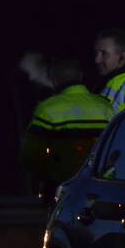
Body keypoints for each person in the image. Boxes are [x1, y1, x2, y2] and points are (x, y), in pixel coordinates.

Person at [20, 56, 113, 204]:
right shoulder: (106, 106)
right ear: (81, 76)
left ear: (54, 80)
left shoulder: (48, 109)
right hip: (102, 191)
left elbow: (30, 155)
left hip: (63, 193)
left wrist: (47, 177)